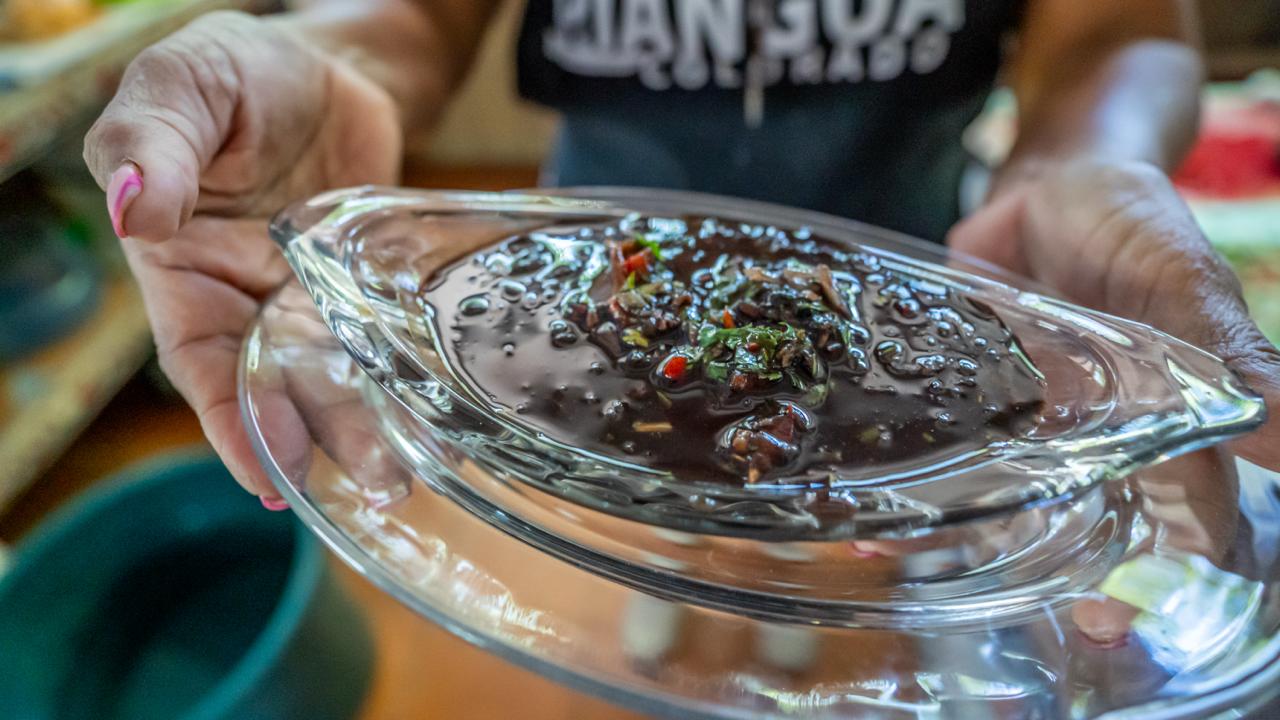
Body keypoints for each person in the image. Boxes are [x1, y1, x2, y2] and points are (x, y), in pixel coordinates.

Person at [82, 0, 1279, 507]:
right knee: (639, 620)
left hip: (934, 319)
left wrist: (1079, 161)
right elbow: (408, 18)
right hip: (573, 342)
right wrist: (330, 64)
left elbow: (1119, 28)